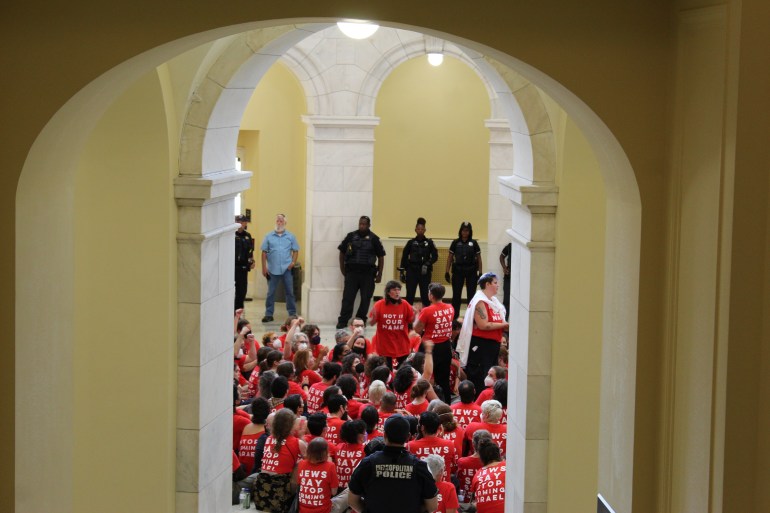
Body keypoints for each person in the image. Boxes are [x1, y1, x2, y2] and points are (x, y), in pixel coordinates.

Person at [347, 415, 438, 513]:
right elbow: (432, 506)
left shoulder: (367, 464)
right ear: (408, 437)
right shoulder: (420, 467)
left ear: (384, 435)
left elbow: (352, 501)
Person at [456, 273, 508, 395]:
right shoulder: (480, 302)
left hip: (493, 345)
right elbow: (483, 325)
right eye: (495, 283)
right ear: (487, 284)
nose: (498, 285)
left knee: (492, 375)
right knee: (481, 376)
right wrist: (504, 325)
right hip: (481, 345)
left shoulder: (494, 302)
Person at [253, 408, 307, 513]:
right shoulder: (297, 442)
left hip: (261, 489)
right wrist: (301, 436)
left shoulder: (268, 438)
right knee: (301, 464)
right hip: (281, 491)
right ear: (291, 425)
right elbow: (310, 460)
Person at [337, 216, 386, 329]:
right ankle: (343, 321)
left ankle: (360, 320)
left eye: (364, 224)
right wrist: (342, 268)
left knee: (365, 298)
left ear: (369, 225)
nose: (362, 226)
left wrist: (380, 273)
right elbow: (342, 252)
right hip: (352, 273)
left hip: (368, 274)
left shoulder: (374, 239)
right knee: (348, 298)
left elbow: (381, 256)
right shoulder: (351, 236)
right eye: (360, 224)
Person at [413, 283, 455, 404]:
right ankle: (446, 406)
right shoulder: (450, 308)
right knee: (443, 380)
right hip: (445, 347)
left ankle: (419, 402)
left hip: (429, 348)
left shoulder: (427, 311)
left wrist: (417, 314)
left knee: (421, 378)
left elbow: (417, 330)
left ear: (431, 296)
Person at [260, 213, 300, 322]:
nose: (279, 222)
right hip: (272, 269)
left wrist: (292, 262)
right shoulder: (268, 236)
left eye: (281, 221)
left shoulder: (290, 236)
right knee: (271, 293)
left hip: (287, 269)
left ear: (285, 223)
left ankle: (292, 314)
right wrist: (264, 268)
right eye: (277, 220)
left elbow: (296, 250)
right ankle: (268, 314)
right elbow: (263, 252)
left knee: (289, 292)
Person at [368, 280, 414, 369]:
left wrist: (415, 315)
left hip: (401, 345)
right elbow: (371, 323)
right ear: (388, 292)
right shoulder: (379, 304)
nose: (397, 292)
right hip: (385, 346)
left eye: (398, 290)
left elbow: (410, 321)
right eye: (394, 290)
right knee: (386, 372)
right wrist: (373, 318)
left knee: (403, 372)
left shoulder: (405, 304)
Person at [445, 221, 481, 320]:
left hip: (471, 271)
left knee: (471, 296)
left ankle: (470, 318)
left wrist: (480, 272)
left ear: (470, 232)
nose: (465, 233)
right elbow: (450, 257)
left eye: (467, 231)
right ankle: (455, 318)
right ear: (460, 231)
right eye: (463, 230)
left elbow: (479, 258)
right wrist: (447, 271)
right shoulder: (455, 242)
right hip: (458, 271)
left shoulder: (474, 243)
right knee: (456, 296)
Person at [399, 217, 438, 306]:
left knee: (425, 295)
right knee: (410, 295)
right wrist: (402, 272)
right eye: (418, 229)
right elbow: (404, 257)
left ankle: (426, 315)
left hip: (424, 272)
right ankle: (408, 316)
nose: (420, 231)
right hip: (412, 271)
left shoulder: (430, 242)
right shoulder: (410, 242)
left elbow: (435, 257)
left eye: (422, 229)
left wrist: (428, 263)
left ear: (425, 230)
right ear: (415, 230)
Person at [296, 437, 339, 513]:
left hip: (302, 510)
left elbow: (299, 483)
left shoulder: (301, 463)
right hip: (324, 510)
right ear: (326, 452)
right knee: (347, 492)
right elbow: (334, 492)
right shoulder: (330, 466)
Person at [469, 439, 506, 513]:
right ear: (499, 453)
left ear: (481, 458)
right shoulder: (507, 465)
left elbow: (473, 501)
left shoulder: (478, 474)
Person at [234, 214, 255, 310]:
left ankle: (238, 313)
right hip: (232, 268)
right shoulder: (231, 235)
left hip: (243, 269)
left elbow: (250, 252)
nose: (241, 224)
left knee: (242, 292)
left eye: (243, 222)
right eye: (239, 222)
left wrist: (252, 261)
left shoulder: (248, 236)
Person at [498, 243, 511, 323]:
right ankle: (504, 322)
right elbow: (501, 256)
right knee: (506, 301)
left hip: (520, 277)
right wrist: (504, 267)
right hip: (509, 277)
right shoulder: (510, 246)